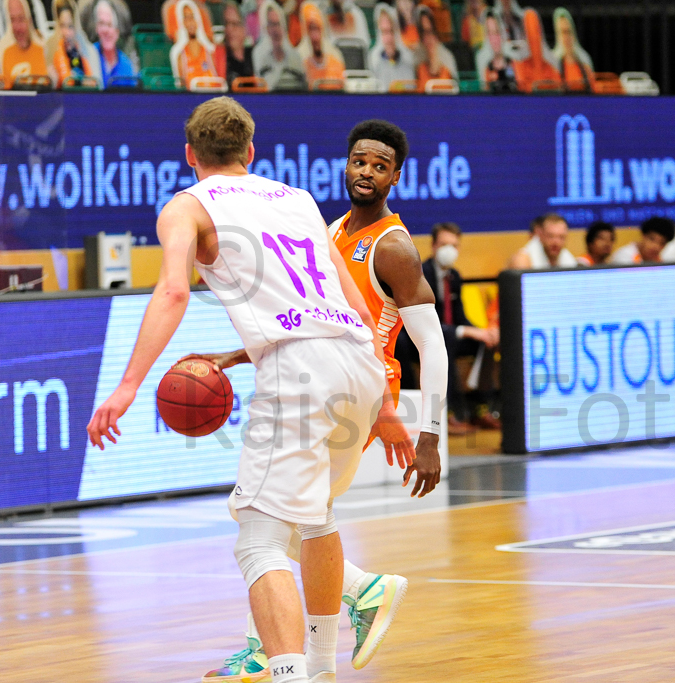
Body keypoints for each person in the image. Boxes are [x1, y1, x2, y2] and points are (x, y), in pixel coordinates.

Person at [86, 98, 417, 683]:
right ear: (251, 152)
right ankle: (321, 666)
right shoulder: (299, 199)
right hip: (359, 365)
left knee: (260, 542)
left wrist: (127, 386)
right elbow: (359, 305)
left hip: (300, 369)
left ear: (190, 155)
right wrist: (385, 405)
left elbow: (172, 293)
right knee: (313, 519)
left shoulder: (186, 207)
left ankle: (290, 675)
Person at [197, 119, 447, 683]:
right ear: (346, 164)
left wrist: (426, 429)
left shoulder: (395, 247)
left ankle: (274, 645)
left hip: (357, 391)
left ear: (395, 177)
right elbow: (312, 319)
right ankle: (319, 656)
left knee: (266, 516)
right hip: (327, 380)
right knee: (302, 517)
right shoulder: (328, 228)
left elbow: (432, 345)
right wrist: (240, 355)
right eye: (359, 161)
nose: (366, 172)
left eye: (379, 166)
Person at [422, 222, 500, 432]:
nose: (449, 250)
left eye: (454, 245)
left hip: (448, 334)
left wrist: (483, 332)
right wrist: (466, 331)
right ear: (433, 246)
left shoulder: (454, 276)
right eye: (444, 244)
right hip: (422, 339)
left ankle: (481, 409)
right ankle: (451, 414)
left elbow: (460, 318)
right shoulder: (422, 274)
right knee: (445, 345)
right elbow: (427, 322)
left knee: (485, 343)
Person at [252, 0, 304, 89]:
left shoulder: (296, 57)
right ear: (265, 28)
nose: (275, 30)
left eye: (278, 24)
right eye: (271, 24)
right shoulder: (258, 55)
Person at [48, 0, 101, 87]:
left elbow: (98, 88)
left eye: (70, 26)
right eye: (62, 26)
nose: (66, 33)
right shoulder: (50, 50)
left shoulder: (90, 52)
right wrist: (52, 83)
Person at [0, 0, 49, 88]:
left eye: (21, 19)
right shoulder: (4, 52)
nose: (17, 28)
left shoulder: (44, 49)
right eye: (12, 20)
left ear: (30, 20)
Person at [170, 0, 220, 86]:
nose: (190, 23)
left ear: (198, 19)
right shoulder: (181, 56)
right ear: (181, 22)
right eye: (186, 18)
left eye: (192, 17)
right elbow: (181, 86)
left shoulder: (209, 52)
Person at [368, 3, 414, 91]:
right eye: (384, 32)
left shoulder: (408, 61)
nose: (389, 38)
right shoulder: (373, 61)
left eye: (391, 31)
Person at [298, 0, 344, 87]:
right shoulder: (299, 59)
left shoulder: (336, 56)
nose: (315, 37)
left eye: (317, 28)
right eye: (311, 29)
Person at [512, 8, 558, 93]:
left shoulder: (550, 67)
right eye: (529, 31)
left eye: (535, 30)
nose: (533, 37)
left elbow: (559, 90)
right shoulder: (520, 67)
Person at [509, 213, 578, 269]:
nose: (556, 242)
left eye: (561, 237)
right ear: (540, 235)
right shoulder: (523, 261)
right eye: (550, 236)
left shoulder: (568, 260)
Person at [91, 0, 135, 86]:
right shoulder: (87, 57)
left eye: (110, 24)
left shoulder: (126, 65)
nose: (105, 30)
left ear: (118, 31)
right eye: (101, 24)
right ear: (96, 28)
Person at [551, 7, 593, 93]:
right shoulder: (552, 63)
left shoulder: (584, 60)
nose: (566, 38)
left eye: (568, 32)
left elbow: (593, 89)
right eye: (563, 32)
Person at [414, 5, 455, 90]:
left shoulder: (447, 58)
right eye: (424, 32)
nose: (428, 38)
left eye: (431, 31)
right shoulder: (417, 61)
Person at [476, 8, 515, 93]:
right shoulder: (486, 70)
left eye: (497, 32)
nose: (494, 39)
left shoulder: (515, 64)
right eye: (490, 34)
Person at [214, 2, 252, 84]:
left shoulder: (254, 55)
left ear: (244, 28)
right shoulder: (218, 56)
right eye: (226, 24)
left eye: (234, 24)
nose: (229, 29)